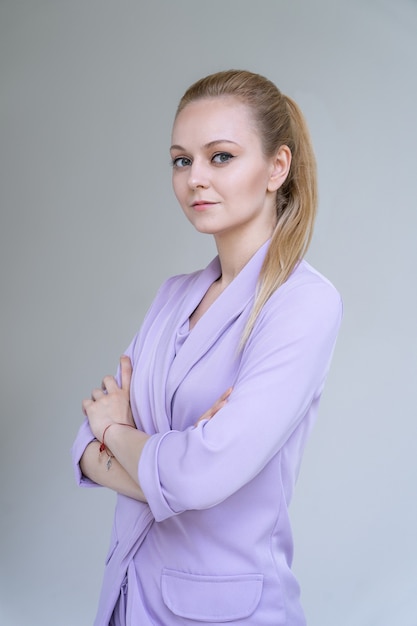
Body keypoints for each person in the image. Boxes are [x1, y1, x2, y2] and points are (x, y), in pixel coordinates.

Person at [72, 69, 342, 626]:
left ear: (277, 167)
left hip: (224, 611)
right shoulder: (174, 296)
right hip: (127, 596)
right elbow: (84, 447)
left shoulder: (303, 305)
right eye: (181, 159)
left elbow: (199, 475)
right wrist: (178, 456)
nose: (195, 177)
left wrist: (119, 431)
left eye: (220, 156)